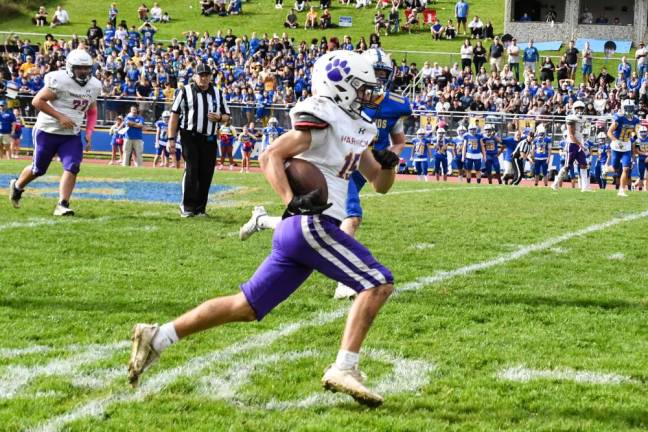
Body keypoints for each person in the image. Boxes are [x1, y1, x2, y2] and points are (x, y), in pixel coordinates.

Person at [128, 50, 397, 408]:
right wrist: (291, 198)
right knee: (377, 282)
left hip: (303, 231)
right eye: (362, 87)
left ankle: (157, 337)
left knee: (246, 306)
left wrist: (389, 165)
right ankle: (344, 367)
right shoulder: (323, 113)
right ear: (341, 85)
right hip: (310, 223)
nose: (369, 94)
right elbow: (270, 155)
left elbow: (378, 183)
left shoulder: (358, 125)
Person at [9, 49, 100, 216]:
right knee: (39, 169)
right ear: (70, 67)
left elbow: (92, 110)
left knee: (73, 166)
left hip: (71, 134)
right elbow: (37, 101)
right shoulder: (60, 80)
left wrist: (89, 132)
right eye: (79, 67)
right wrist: (60, 116)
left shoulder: (94, 85)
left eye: (86, 68)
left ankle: (62, 204)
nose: (83, 71)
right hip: (47, 130)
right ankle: (17, 185)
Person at [168, 63, 230, 217]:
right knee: (192, 169)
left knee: (206, 172)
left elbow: (227, 116)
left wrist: (220, 118)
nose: (204, 78)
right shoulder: (184, 91)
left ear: (210, 77)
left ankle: (200, 209)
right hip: (189, 135)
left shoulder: (218, 93)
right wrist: (171, 138)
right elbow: (174, 115)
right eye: (201, 75)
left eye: (206, 75)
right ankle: (187, 207)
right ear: (195, 76)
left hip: (208, 138)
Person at [552, 101, 593, 192]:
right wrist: (581, 145)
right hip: (571, 145)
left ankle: (584, 187)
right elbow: (571, 135)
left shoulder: (582, 119)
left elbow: (580, 132)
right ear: (574, 109)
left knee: (583, 165)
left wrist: (581, 144)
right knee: (567, 166)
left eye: (581, 108)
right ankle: (555, 183)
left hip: (578, 144)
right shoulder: (571, 118)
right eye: (578, 108)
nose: (579, 110)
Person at [607, 99, 640, 197]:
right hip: (616, 146)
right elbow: (609, 132)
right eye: (627, 108)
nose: (629, 110)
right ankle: (605, 169)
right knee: (614, 168)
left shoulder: (635, 120)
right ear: (623, 108)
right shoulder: (619, 118)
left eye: (631, 108)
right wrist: (617, 142)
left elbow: (635, 132)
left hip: (626, 146)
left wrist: (634, 136)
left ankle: (621, 190)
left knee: (626, 169)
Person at [633, 126, 648, 191]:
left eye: (644, 132)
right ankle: (634, 185)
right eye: (642, 132)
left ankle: (645, 188)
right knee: (641, 176)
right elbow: (636, 151)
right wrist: (644, 154)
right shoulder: (638, 140)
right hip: (641, 159)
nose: (643, 133)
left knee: (646, 175)